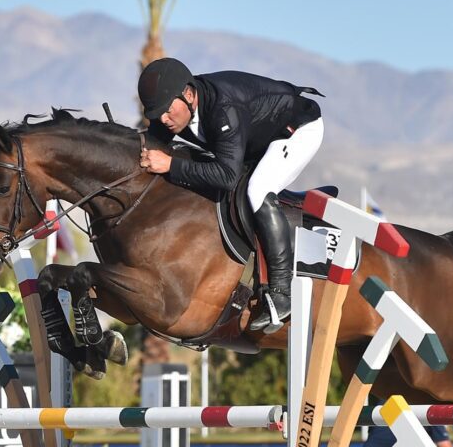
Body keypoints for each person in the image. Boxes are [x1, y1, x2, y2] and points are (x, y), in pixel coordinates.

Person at [136, 57, 325, 331]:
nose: (163, 120)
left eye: (167, 111)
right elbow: (150, 141)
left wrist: (171, 165)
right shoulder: (176, 110)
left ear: (189, 95)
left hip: (296, 129)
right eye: (156, 114)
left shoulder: (223, 109)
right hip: (257, 135)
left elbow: (226, 177)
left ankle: (283, 294)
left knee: (258, 188)